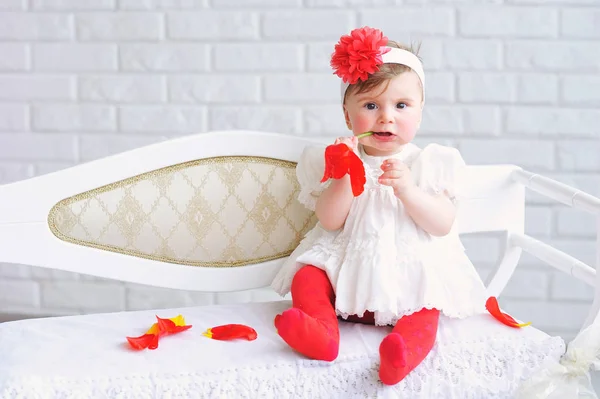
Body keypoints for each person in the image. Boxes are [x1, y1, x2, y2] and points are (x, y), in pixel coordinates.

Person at [270, 26, 489, 386]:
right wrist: (345, 174)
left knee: (427, 307)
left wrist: (409, 190)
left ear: (420, 112)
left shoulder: (428, 163)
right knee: (307, 276)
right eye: (371, 106)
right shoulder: (336, 159)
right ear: (347, 115)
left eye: (401, 106)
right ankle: (322, 334)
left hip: (406, 277)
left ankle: (401, 353)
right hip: (346, 273)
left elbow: (442, 224)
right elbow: (329, 220)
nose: (386, 117)